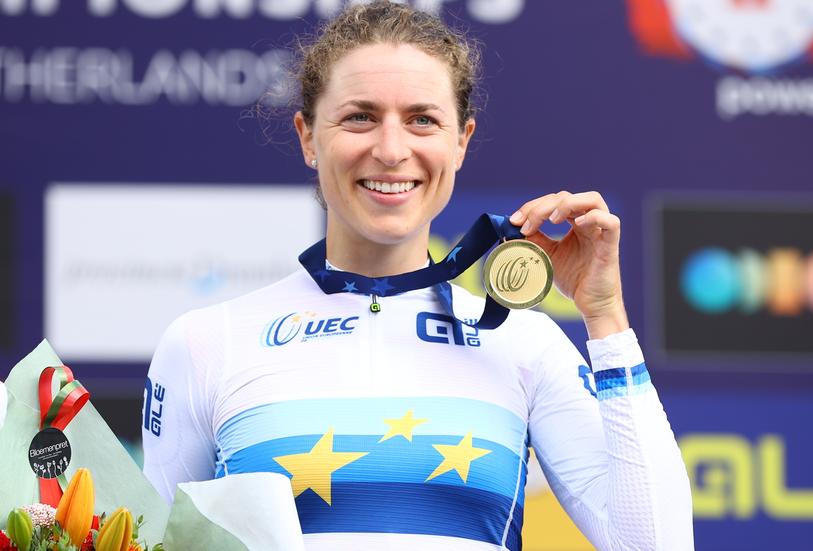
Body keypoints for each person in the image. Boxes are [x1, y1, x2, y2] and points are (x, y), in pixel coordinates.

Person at [142, 2, 694, 549]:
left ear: (461, 141)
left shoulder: (525, 343)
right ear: (308, 137)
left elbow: (655, 544)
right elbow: (149, 541)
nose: (391, 150)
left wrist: (605, 316)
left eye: (422, 120)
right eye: (360, 117)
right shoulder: (207, 342)